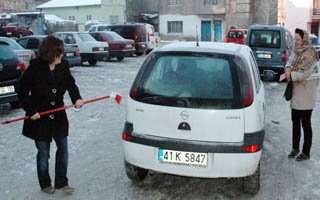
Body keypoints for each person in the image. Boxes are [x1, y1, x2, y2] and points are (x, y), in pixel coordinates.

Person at [18, 35, 84, 194]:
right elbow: (22, 90)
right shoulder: (34, 68)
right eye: (59, 53)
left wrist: (77, 98)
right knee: (43, 153)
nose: (62, 55)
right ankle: (45, 184)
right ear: (50, 53)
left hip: (59, 116)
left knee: (63, 149)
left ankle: (62, 182)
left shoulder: (63, 66)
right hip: (39, 119)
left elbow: (71, 84)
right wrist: (31, 110)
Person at [285, 28, 319, 161]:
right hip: (296, 94)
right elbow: (289, 62)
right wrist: (288, 69)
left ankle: (306, 152)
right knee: (295, 123)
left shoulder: (310, 54)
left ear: (304, 40)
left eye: (298, 39)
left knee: (306, 124)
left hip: (306, 95)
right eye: (295, 39)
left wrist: (291, 75)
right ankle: (295, 148)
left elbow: (306, 73)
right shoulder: (295, 52)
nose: (296, 41)